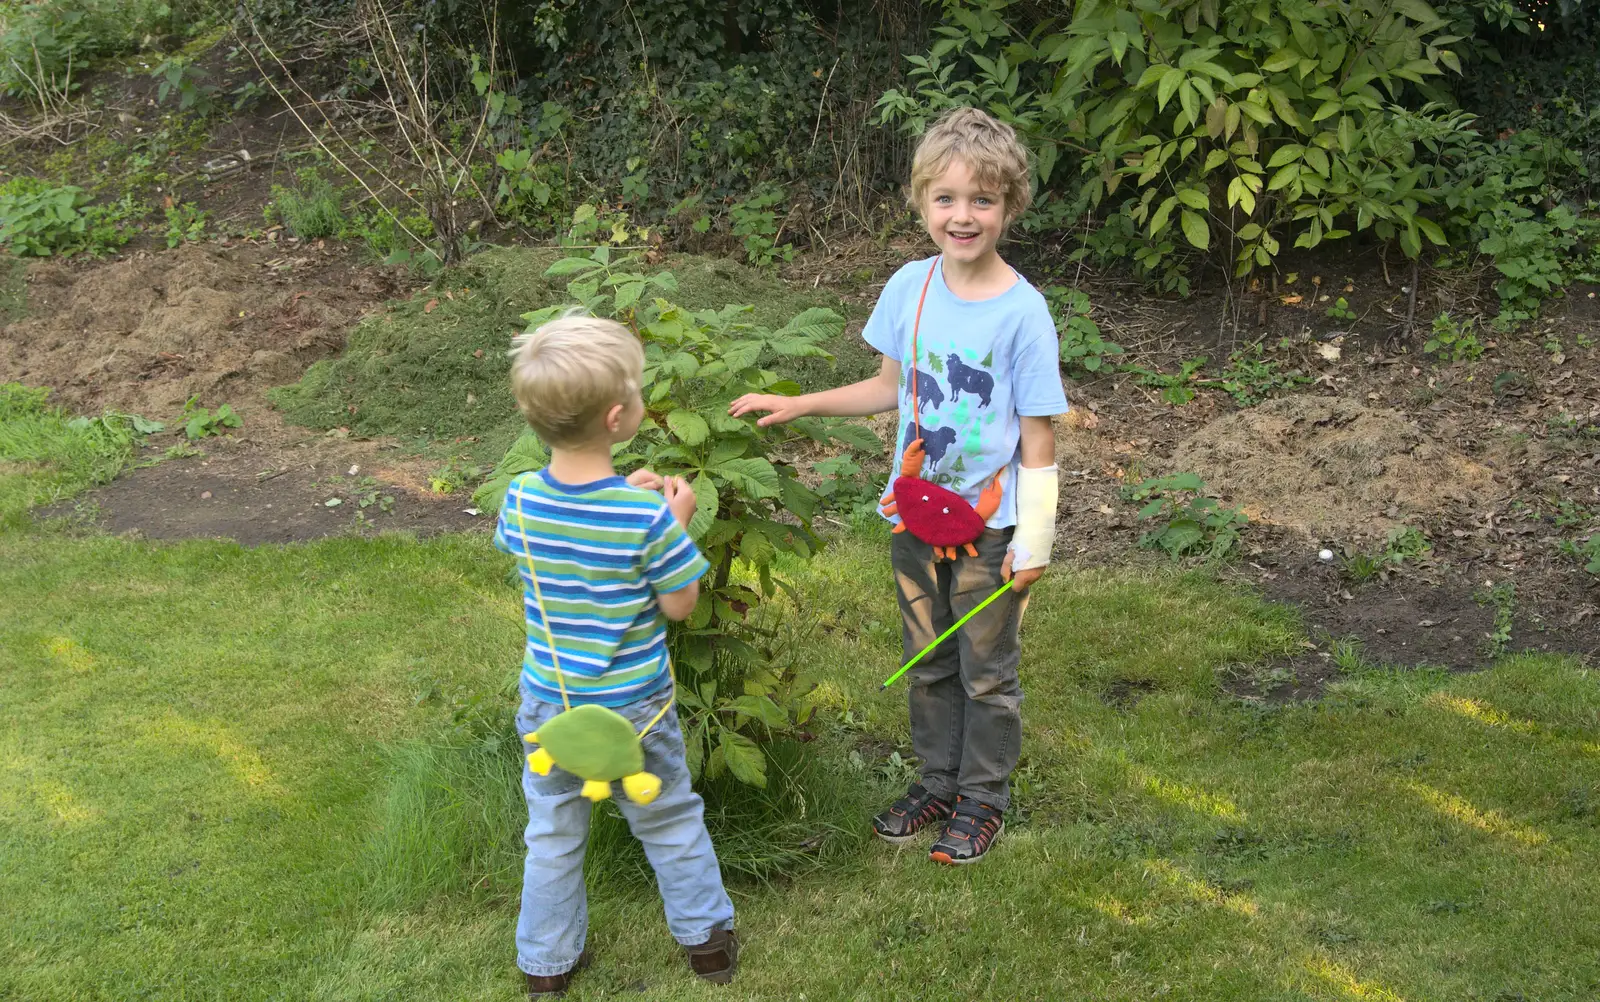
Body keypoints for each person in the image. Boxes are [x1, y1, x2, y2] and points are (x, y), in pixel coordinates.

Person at [730, 106, 1067, 865]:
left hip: (988, 530)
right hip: (913, 518)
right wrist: (803, 402)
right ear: (921, 204)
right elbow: (889, 386)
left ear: (1010, 205)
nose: (963, 215)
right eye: (945, 198)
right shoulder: (909, 287)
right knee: (928, 660)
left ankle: (983, 799)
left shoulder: (1024, 315)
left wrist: (1035, 541)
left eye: (982, 199)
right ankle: (937, 782)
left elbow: (1040, 440)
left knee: (986, 672)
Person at [496, 314, 738, 997]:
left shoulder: (518, 500)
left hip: (552, 705)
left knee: (552, 833)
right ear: (618, 416)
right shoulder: (648, 519)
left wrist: (620, 505)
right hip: (635, 708)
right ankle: (707, 944)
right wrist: (674, 520)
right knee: (669, 821)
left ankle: (545, 965)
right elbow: (679, 604)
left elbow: (569, 539)